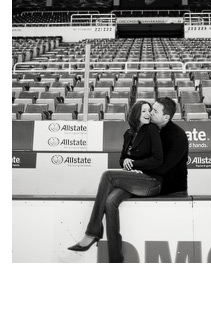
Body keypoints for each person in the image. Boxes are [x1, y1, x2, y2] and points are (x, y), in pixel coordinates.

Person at [68, 97, 188, 262]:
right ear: (136, 114)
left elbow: (161, 165)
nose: (150, 113)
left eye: (153, 111)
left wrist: (136, 166)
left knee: (108, 175)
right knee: (110, 201)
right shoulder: (138, 132)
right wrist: (129, 165)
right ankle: (115, 258)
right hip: (139, 180)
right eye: (147, 110)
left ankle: (93, 232)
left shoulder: (173, 135)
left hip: (167, 187)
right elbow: (125, 159)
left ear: (166, 117)